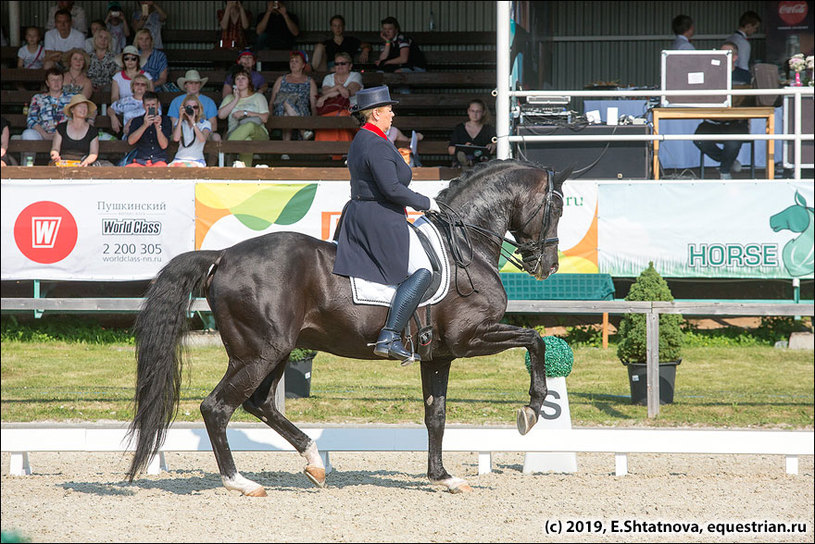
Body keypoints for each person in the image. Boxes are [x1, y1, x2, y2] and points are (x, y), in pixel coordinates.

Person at [333, 85, 440, 364]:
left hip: (367, 211)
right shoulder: (375, 143)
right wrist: (426, 202)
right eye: (389, 109)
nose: (393, 113)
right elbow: (392, 189)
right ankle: (389, 335)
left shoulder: (365, 139)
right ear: (377, 112)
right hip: (379, 216)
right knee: (423, 270)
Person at [693, 42, 751, 179]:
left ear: (735, 57)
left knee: (732, 142)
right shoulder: (709, 75)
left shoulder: (745, 76)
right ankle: (728, 161)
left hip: (737, 123)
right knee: (699, 139)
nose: (722, 56)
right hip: (712, 122)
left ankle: (724, 171)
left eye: (727, 53)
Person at [218, 69, 269, 167]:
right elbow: (221, 115)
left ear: (249, 81)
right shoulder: (229, 98)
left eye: (243, 78)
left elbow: (265, 118)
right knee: (247, 140)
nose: (240, 81)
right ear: (234, 83)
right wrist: (236, 99)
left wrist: (245, 113)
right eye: (238, 79)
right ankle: (245, 172)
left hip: (259, 134)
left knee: (249, 125)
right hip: (235, 132)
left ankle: (228, 149)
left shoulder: (258, 97)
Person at [21, 68, 72, 165]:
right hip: (43, 133)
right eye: (53, 80)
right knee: (28, 134)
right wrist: (45, 134)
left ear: (63, 81)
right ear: (47, 83)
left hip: (65, 135)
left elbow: (88, 111)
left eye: (59, 79)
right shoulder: (38, 98)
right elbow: (31, 120)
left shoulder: (72, 98)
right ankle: (27, 167)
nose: (56, 82)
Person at [270, 50, 317, 143]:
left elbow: (313, 105)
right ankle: (303, 131)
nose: (293, 63)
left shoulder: (309, 81)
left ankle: (285, 150)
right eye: (292, 61)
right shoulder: (281, 79)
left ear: (303, 65)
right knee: (286, 103)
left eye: (296, 61)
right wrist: (270, 116)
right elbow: (272, 101)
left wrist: (314, 121)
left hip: (301, 111)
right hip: (280, 110)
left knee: (287, 113)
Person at [168, 71, 220, 141]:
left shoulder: (209, 102)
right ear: (185, 85)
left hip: (203, 133)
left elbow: (213, 126)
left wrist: (201, 130)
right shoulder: (176, 101)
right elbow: (173, 125)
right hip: (182, 133)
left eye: (196, 83)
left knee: (216, 136)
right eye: (190, 83)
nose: (194, 86)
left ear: (200, 85)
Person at [50, 94, 99, 166]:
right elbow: (55, 148)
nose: (83, 109)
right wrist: (55, 156)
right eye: (80, 106)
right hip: (63, 164)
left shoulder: (92, 131)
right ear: (72, 110)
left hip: (83, 164)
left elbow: (93, 153)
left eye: (85, 107)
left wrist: (87, 162)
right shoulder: (61, 128)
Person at [126, 91, 172, 166]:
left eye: (153, 105)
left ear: (158, 105)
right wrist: (145, 125)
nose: (151, 108)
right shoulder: (137, 121)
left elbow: (164, 145)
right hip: (140, 160)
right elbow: (130, 141)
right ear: (143, 106)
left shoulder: (165, 120)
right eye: (148, 105)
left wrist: (157, 127)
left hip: (159, 159)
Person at [447, 99, 496, 168]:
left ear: (483, 112)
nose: (475, 114)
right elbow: (450, 150)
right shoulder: (460, 128)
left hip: (482, 163)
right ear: (468, 111)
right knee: (461, 156)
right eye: (472, 111)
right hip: (461, 164)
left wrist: (493, 145)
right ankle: (466, 162)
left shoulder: (488, 129)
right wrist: (464, 148)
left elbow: (497, 144)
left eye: (478, 111)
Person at [169, 94, 212, 167]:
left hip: (197, 160)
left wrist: (193, 122)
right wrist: (180, 117)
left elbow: (202, 139)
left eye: (195, 107)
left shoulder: (205, 123)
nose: (192, 110)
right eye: (189, 107)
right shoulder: (180, 123)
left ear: (199, 109)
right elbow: (176, 138)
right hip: (179, 159)